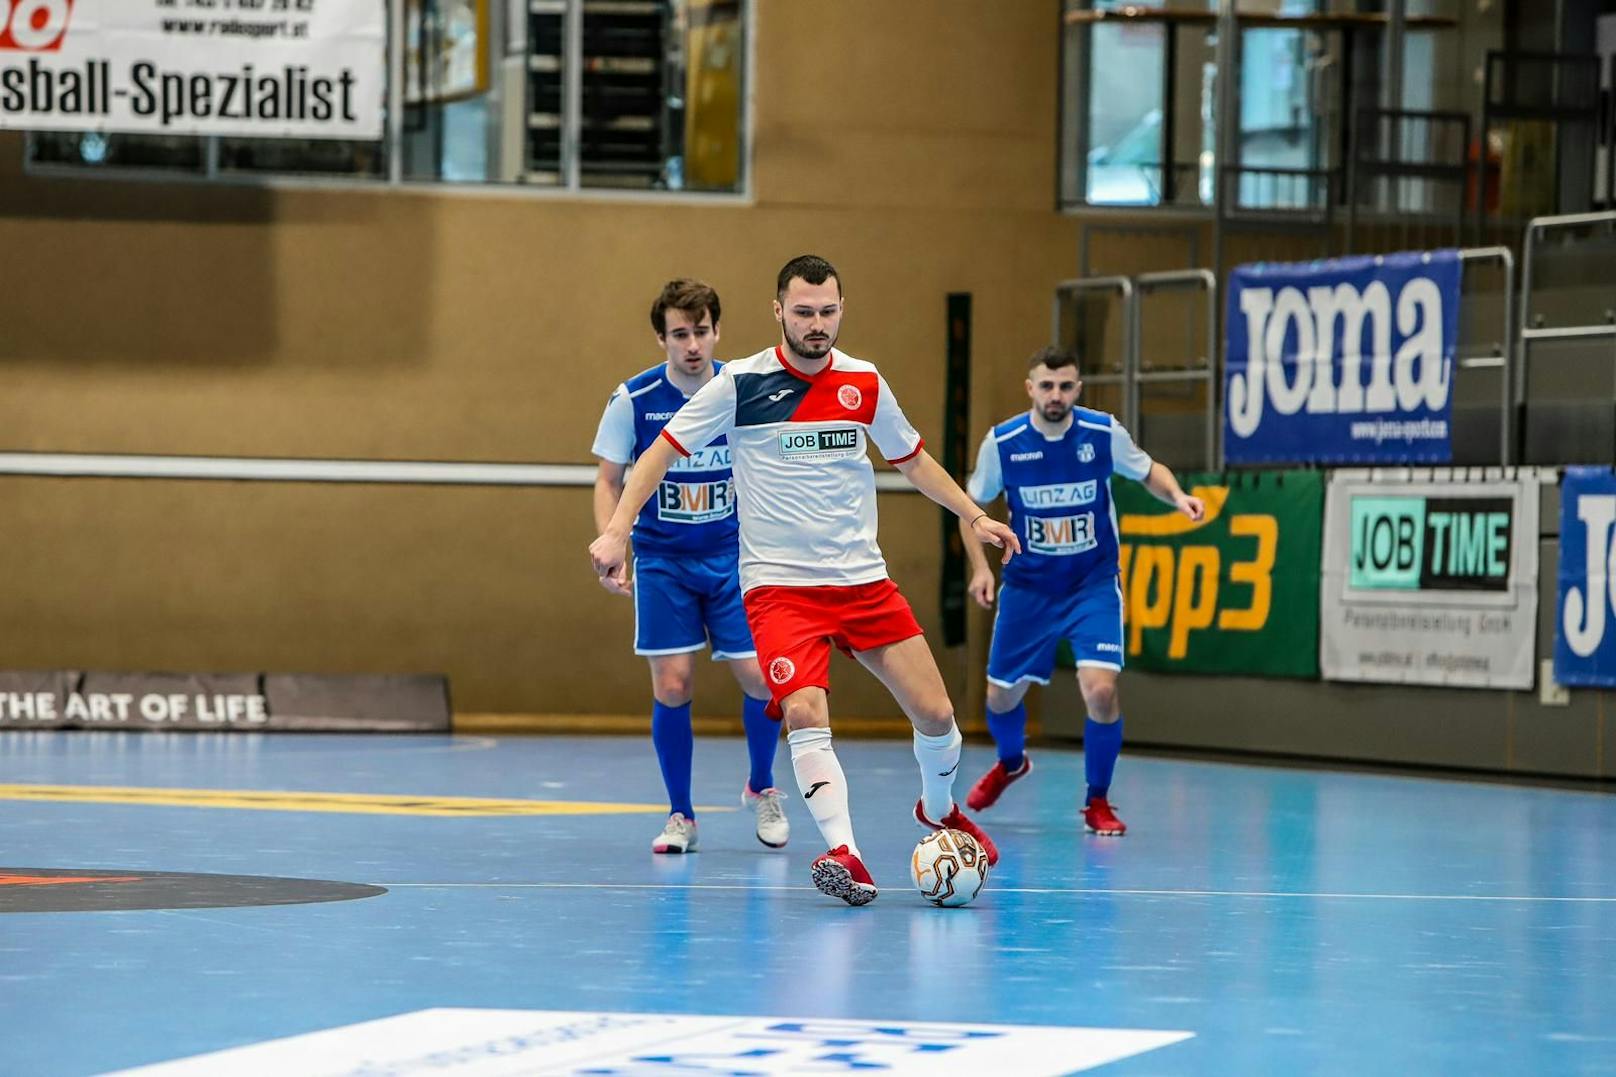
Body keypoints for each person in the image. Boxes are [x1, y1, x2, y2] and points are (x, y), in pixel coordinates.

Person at [590, 255, 1020, 905]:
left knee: (936, 714)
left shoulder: (865, 383)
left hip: (862, 581)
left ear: (841, 310)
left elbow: (914, 459)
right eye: (803, 312)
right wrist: (618, 528)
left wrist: (974, 513)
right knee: (803, 707)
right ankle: (844, 850)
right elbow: (656, 455)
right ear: (778, 312)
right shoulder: (740, 384)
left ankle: (937, 809)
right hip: (779, 588)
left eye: (827, 311)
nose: (816, 324)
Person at [958, 346, 1204, 835]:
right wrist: (980, 570)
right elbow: (971, 508)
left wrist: (1177, 496)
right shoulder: (1003, 442)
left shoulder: (1101, 432)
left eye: (1066, 385)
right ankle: (1011, 762)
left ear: (1079, 387)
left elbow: (1147, 469)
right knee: (1001, 698)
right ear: (1030, 388)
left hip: (1091, 585)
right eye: (1046, 385)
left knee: (1102, 691)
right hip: (1028, 587)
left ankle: (1098, 800)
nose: (1056, 395)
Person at [591, 279, 788, 855]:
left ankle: (762, 784)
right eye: (681, 334)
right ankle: (681, 814)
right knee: (674, 684)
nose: (693, 344)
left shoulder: (741, 390)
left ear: (717, 331)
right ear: (663, 339)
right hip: (664, 561)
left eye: (702, 331)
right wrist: (613, 539)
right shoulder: (635, 398)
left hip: (732, 557)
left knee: (761, 678)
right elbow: (609, 479)